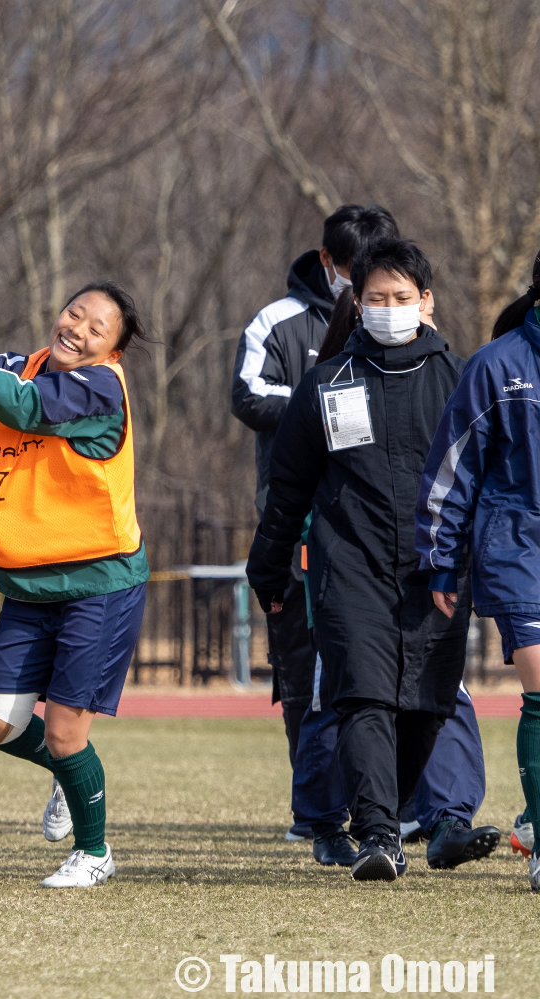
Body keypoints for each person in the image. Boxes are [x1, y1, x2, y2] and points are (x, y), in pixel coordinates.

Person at [248, 238, 500, 881]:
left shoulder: (461, 379)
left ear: (427, 302)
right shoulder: (327, 382)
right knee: (362, 693)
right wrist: (269, 566)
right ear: (356, 304)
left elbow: (488, 480)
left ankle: (406, 814)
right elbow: (289, 485)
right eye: (377, 298)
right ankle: (379, 836)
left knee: (427, 700)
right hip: (349, 563)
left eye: (402, 297)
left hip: (437, 570)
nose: (390, 308)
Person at [0, 281, 151, 887]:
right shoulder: (26, 364)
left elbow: (24, 404)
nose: (78, 329)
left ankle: (94, 853)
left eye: (97, 329)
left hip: (98, 583)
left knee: (66, 734)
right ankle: (70, 773)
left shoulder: (100, 387)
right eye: (75, 313)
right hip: (27, 585)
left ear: (113, 350)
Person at [231, 204, 399, 844]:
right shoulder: (278, 321)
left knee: (374, 664)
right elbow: (247, 396)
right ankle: (316, 808)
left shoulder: (398, 317)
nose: (370, 289)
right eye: (355, 272)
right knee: (301, 665)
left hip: (373, 516)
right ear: (329, 264)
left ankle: (382, 803)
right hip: (295, 512)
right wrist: (321, 407)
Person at [416, 248, 540, 891]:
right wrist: (441, 561)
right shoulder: (498, 366)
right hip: (520, 545)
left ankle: (534, 818)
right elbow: (452, 469)